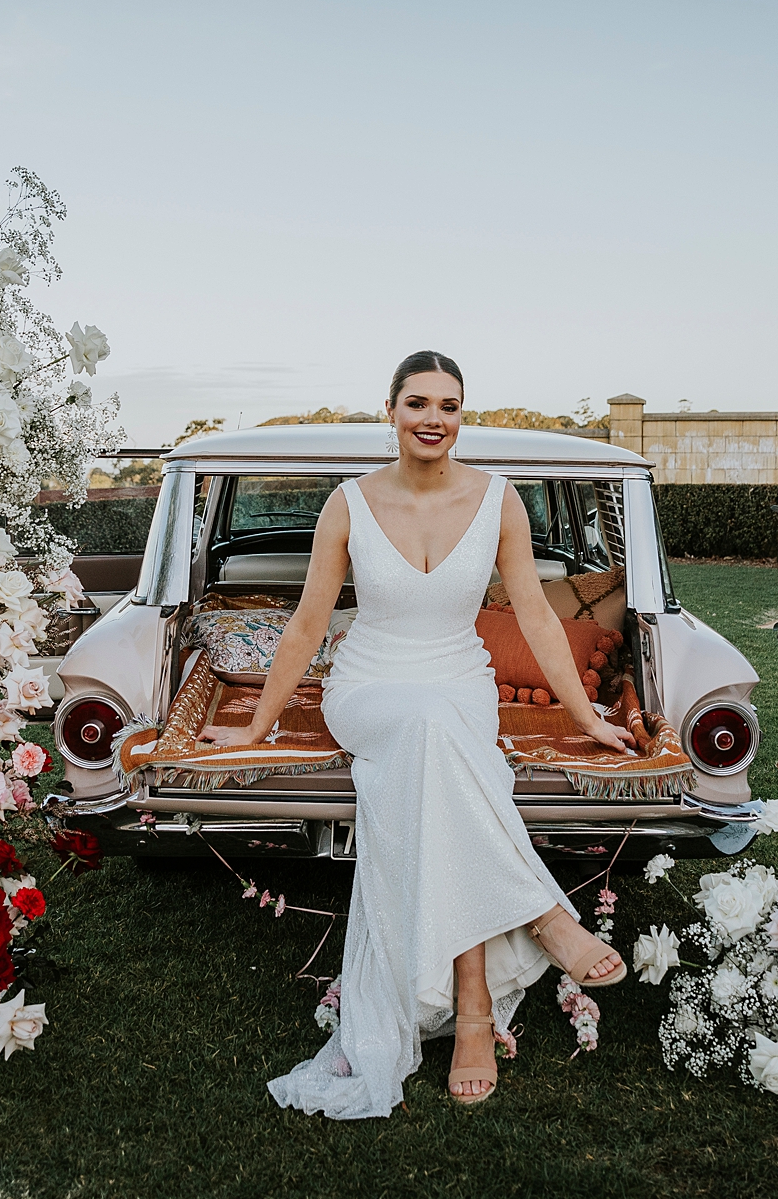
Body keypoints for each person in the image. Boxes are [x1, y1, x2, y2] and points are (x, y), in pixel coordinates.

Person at [201, 350, 630, 1117]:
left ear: (462, 415)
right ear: (391, 411)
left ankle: (474, 1012)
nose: (435, 418)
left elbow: (535, 612)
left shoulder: (500, 500)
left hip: (458, 686)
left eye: (449, 404)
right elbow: (306, 625)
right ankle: (540, 914)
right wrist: (253, 728)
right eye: (418, 402)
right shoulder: (349, 503)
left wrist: (587, 716)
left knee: (440, 758)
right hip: (368, 687)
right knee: (436, 737)